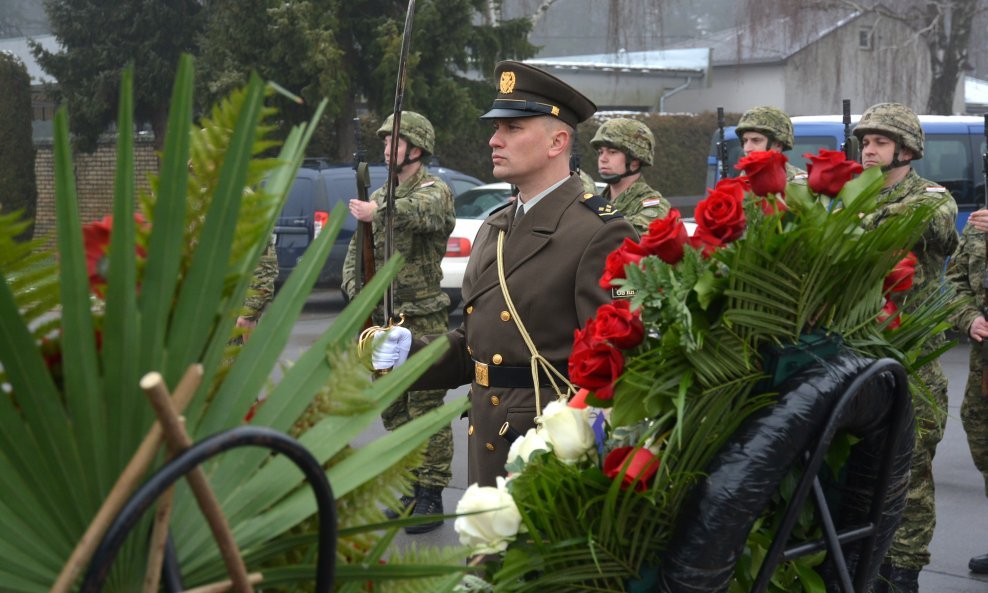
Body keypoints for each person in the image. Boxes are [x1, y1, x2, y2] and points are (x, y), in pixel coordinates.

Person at [376, 61, 637, 488]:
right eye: (496, 128)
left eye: (513, 128)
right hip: (489, 437)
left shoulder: (599, 232)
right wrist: (412, 352)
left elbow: (618, 366)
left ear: (558, 141)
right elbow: (479, 348)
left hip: (550, 450)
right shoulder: (496, 225)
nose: (494, 139)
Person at [854, 102, 959, 593]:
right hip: (861, 356)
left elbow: (929, 224)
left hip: (913, 359)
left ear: (907, 150)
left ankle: (905, 570)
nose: (868, 150)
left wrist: (857, 217)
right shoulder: (857, 196)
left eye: (878, 142)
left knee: (911, 474)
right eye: (864, 142)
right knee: (863, 471)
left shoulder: (933, 197)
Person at [341, 110, 456, 534]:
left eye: (395, 142)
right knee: (392, 407)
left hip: (423, 317)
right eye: (386, 142)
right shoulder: (378, 195)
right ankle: (409, 485)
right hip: (383, 319)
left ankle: (431, 493)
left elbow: (418, 213)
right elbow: (359, 250)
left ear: (417, 148)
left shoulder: (434, 191)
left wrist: (377, 208)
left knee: (425, 406)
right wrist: (357, 291)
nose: (387, 148)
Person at [945, 207, 988, 577]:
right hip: (984, 364)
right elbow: (955, 282)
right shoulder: (978, 231)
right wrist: (969, 316)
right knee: (983, 439)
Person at [591, 117, 669, 234]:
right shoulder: (594, 202)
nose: (603, 159)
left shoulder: (654, 206)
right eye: (601, 152)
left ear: (635, 160)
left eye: (612, 152)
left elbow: (626, 238)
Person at [735, 106, 807, 183]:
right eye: (745, 141)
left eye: (756, 140)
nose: (747, 148)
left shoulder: (801, 183)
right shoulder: (737, 186)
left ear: (778, 145)